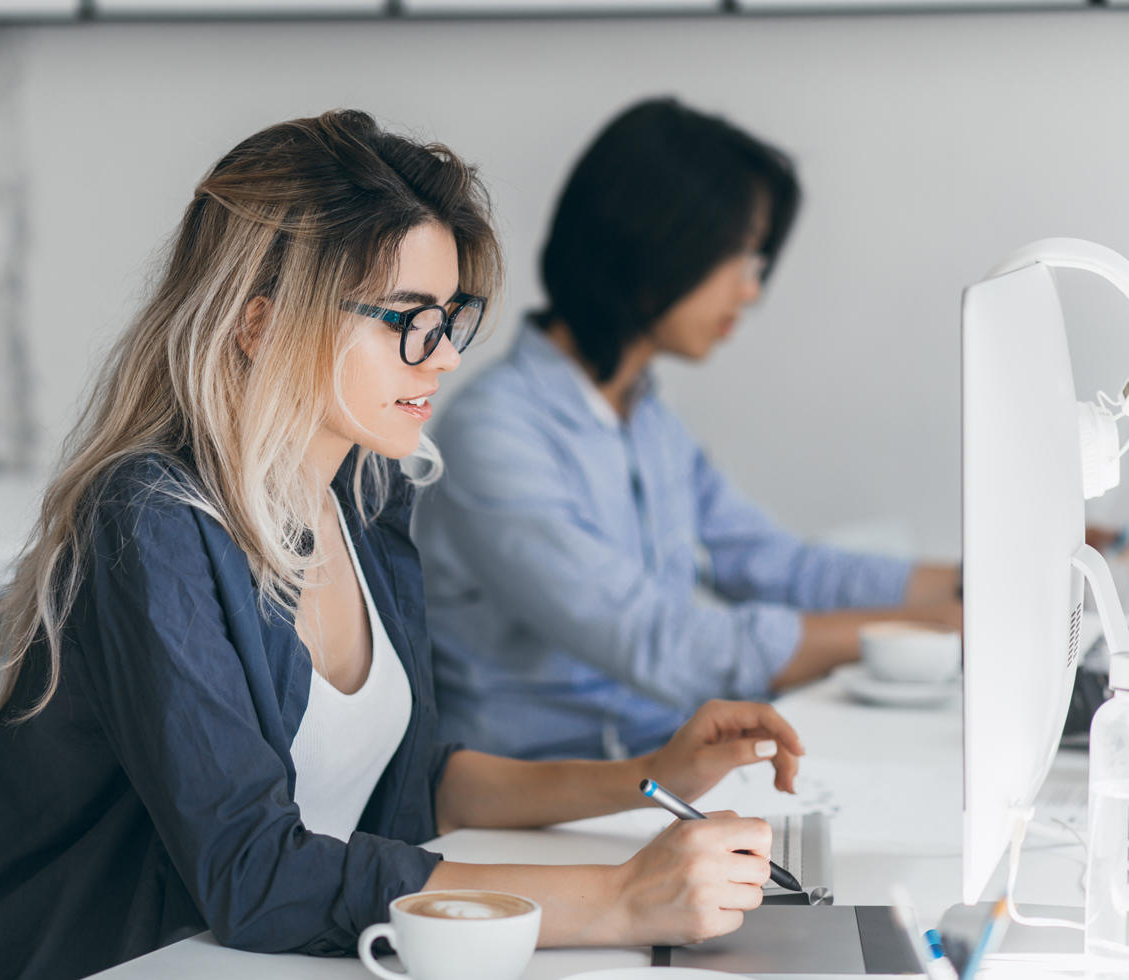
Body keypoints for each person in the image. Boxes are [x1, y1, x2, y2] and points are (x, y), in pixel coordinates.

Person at [0, 110, 807, 980]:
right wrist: (620, 898)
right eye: (406, 318)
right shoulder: (150, 519)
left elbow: (409, 783)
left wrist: (646, 776)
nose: (439, 357)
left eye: (449, 318)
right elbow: (255, 873)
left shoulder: (366, 499)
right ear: (259, 325)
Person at [411, 98, 962, 762]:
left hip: (662, 771)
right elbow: (661, 644)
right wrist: (929, 629)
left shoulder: (646, 418)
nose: (750, 291)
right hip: (546, 804)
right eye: (739, 258)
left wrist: (983, 581)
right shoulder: (492, 436)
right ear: (655, 243)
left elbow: (779, 567)